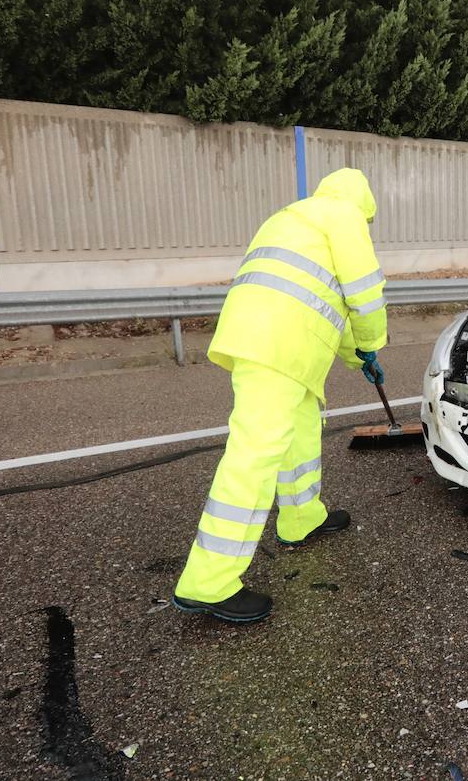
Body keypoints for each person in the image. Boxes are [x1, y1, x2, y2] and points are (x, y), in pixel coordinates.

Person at [172, 167, 389, 623]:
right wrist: (373, 344)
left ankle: (301, 516)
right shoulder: (343, 215)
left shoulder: (293, 217)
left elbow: (319, 296)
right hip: (280, 347)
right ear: (363, 206)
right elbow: (364, 295)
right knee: (255, 452)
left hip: (268, 341)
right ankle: (207, 582)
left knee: (302, 433)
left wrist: (356, 357)